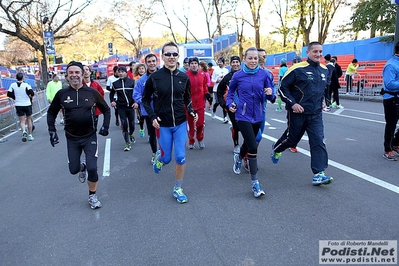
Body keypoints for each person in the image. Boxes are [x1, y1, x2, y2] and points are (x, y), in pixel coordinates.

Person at [47, 61, 111, 210]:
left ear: (83, 74)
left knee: (93, 168)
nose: (74, 75)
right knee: (73, 170)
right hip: (72, 138)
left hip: (90, 137)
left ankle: (92, 196)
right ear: (67, 76)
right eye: (71, 73)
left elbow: (106, 110)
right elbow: (51, 113)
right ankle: (81, 167)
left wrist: (105, 126)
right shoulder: (62, 94)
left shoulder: (92, 93)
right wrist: (52, 131)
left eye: (77, 72)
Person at [271, 41, 333, 186]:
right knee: (292, 140)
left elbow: (321, 89)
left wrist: (322, 101)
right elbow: (282, 88)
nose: (318, 54)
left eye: (320, 51)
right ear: (308, 53)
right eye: (315, 51)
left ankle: (319, 173)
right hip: (297, 112)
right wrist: (293, 103)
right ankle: (276, 148)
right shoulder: (297, 69)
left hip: (316, 114)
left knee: (318, 141)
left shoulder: (324, 69)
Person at [142, 41, 198, 204]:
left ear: (178, 56)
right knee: (167, 159)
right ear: (162, 56)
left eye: (174, 54)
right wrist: (152, 116)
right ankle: (160, 158)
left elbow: (187, 98)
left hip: (180, 123)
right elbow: (145, 99)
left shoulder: (183, 77)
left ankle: (177, 188)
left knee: (180, 157)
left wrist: (191, 110)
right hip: (163, 125)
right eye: (168, 54)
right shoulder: (155, 78)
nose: (171, 57)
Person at [226, 47, 275, 198]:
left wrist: (270, 93)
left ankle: (239, 157)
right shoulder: (238, 76)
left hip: (258, 116)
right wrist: (230, 105)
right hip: (242, 115)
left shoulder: (264, 75)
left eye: (256, 58)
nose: (253, 61)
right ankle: (255, 183)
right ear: (244, 59)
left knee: (248, 144)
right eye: (250, 58)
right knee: (253, 146)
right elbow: (230, 94)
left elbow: (271, 96)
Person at [133, 53, 159, 163]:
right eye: (149, 62)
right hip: (149, 111)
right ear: (146, 63)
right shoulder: (141, 80)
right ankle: (154, 153)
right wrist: (144, 101)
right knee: (152, 134)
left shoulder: (163, 76)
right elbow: (136, 94)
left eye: (153, 61)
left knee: (165, 134)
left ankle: (163, 153)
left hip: (163, 110)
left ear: (157, 62)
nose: (152, 63)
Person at [217, 56, 242, 154]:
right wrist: (223, 105)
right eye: (233, 62)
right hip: (232, 107)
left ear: (240, 63)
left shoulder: (246, 75)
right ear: (230, 64)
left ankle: (247, 145)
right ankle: (236, 145)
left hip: (245, 106)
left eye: (237, 62)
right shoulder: (227, 78)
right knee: (236, 126)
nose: (235, 64)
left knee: (245, 126)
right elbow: (219, 91)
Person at [110, 66, 137, 151]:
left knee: (132, 125)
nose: (121, 73)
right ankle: (127, 143)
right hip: (121, 107)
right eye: (119, 72)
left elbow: (136, 93)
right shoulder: (115, 84)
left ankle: (131, 134)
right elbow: (111, 93)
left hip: (131, 107)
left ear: (126, 73)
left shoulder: (132, 82)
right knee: (124, 125)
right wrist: (112, 101)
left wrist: (136, 102)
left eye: (122, 71)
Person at [185, 57, 209, 149]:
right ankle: (191, 140)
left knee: (200, 124)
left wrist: (207, 94)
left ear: (198, 65)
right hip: (189, 104)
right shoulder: (186, 75)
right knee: (191, 125)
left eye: (195, 63)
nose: (194, 65)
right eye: (192, 63)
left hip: (200, 103)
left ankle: (200, 138)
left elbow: (205, 86)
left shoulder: (202, 74)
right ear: (189, 65)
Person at [381, 41, 399, 161]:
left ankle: (396, 143)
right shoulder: (391, 65)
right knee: (391, 124)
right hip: (392, 99)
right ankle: (388, 149)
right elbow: (389, 84)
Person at [7, 73, 35, 142]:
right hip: (27, 104)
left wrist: (15, 97)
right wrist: (29, 96)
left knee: (22, 120)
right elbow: (32, 93)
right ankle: (30, 135)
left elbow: (8, 94)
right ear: (23, 78)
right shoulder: (26, 85)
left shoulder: (13, 85)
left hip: (19, 104)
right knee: (29, 119)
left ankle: (24, 131)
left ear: (16, 78)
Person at [211, 58, 229, 123]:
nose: (219, 63)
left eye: (221, 62)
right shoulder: (215, 70)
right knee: (218, 102)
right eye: (218, 62)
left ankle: (225, 118)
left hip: (224, 89)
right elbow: (212, 79)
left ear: (223, 63)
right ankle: (214, 109)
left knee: (224, 103)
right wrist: (216, 81)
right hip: (216, 89)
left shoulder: (226, 70)